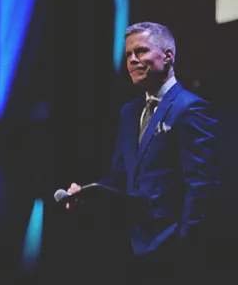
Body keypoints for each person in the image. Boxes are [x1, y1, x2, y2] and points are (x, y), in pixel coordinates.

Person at [64, 22, 219, 284]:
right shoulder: (129, 112)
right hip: (133, 251)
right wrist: (89, 193)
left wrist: (186, 246)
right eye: (128, 55)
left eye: (141, 51)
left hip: (174, 255)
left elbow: (202, 186)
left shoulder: (191, 108)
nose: (133, 60)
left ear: (168, 56)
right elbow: (122, 174)